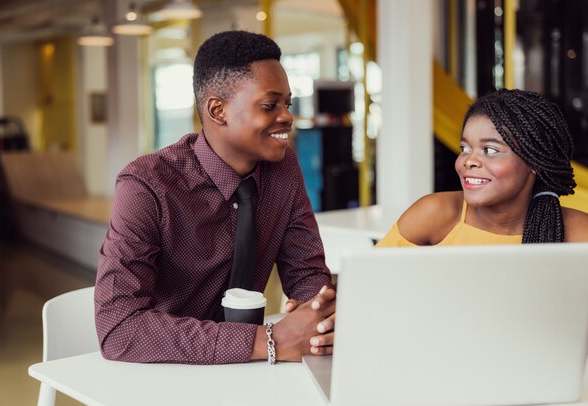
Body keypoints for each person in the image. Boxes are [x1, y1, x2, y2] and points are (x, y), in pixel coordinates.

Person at [94, 30, 336, 365]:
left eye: (287, 103)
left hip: (251, 373)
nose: (287, 117)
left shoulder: (283, 169)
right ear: (217, 110)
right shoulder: (145, 186)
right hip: (163, 373)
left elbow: (307, 275)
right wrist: (268, 341)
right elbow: (119, 329)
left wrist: (317, 319)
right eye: (270, 105)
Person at [377, 89, 588, 247]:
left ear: (534, 161)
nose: (469, 161)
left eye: (489, 150)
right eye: (465, 148)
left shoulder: (578, 232)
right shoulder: (434, 214)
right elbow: (365, 287)